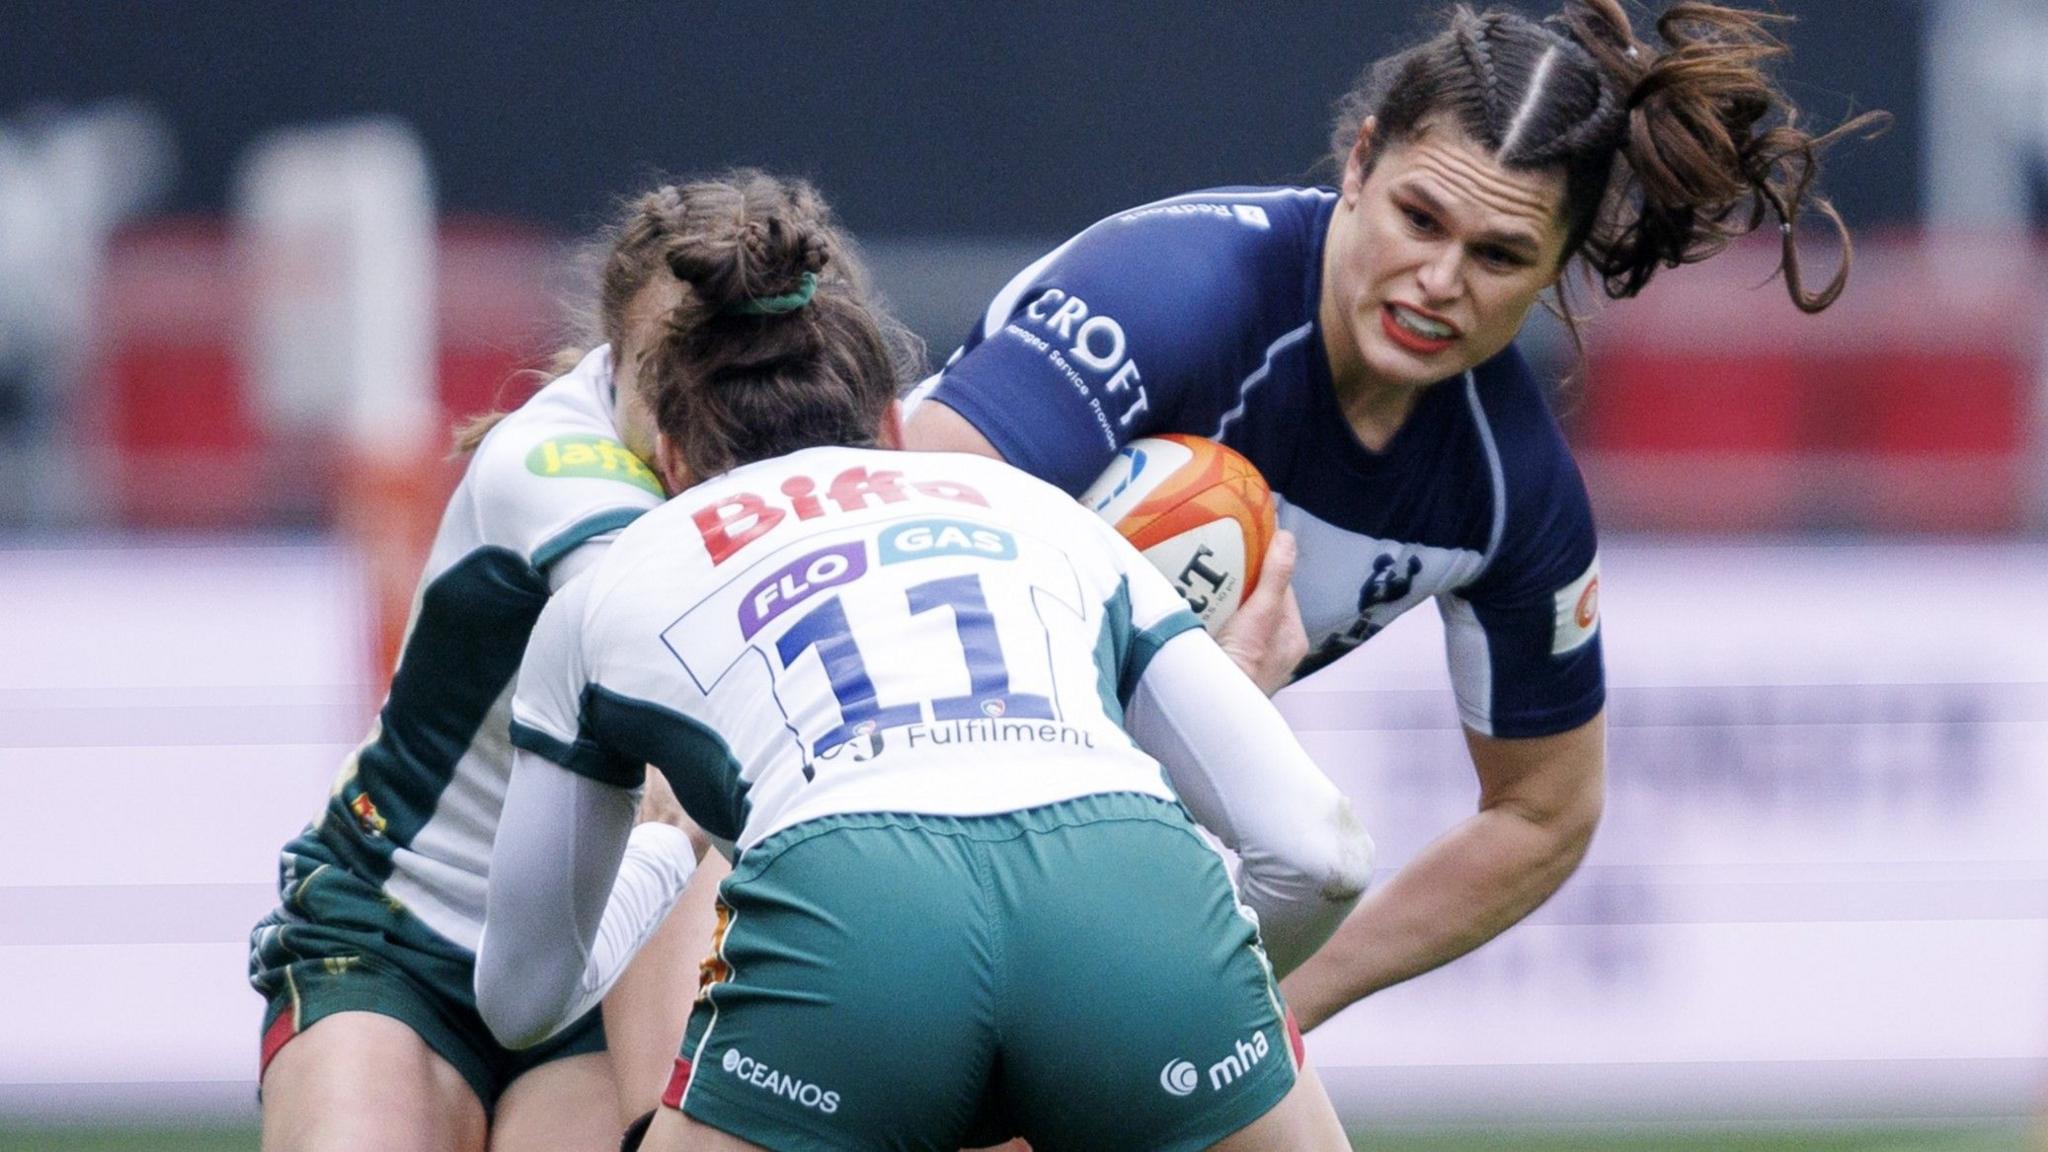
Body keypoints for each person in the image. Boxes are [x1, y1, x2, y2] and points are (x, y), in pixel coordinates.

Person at [904, 0, 1885, 1032]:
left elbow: (1544, 814)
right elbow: (893, 531)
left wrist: (1272, 1011)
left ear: (1556, 270)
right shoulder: (1169, 295)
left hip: (1076, 837)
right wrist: (1162, 686)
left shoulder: (1506, 485)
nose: (1437, 282)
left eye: (1498, 255)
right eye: (1419, 219)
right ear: (1359, 164)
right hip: (836, 780)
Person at [473, 172, 1375, 1152]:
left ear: (673, 459)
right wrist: (1190, 991)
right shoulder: (1043, 516)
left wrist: (661, 850)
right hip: (1133, 898)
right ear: (895, 427)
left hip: (852, 923)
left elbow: (521, 1000)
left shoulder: (612, 581)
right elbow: (1320, 857)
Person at [247, 178, 765, 1152]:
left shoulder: (770, 470)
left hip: (612, 958)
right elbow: (675, 722)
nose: (694, 427)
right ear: (617, 365)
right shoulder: (552, 464)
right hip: (399, 936)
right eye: (672, 380)